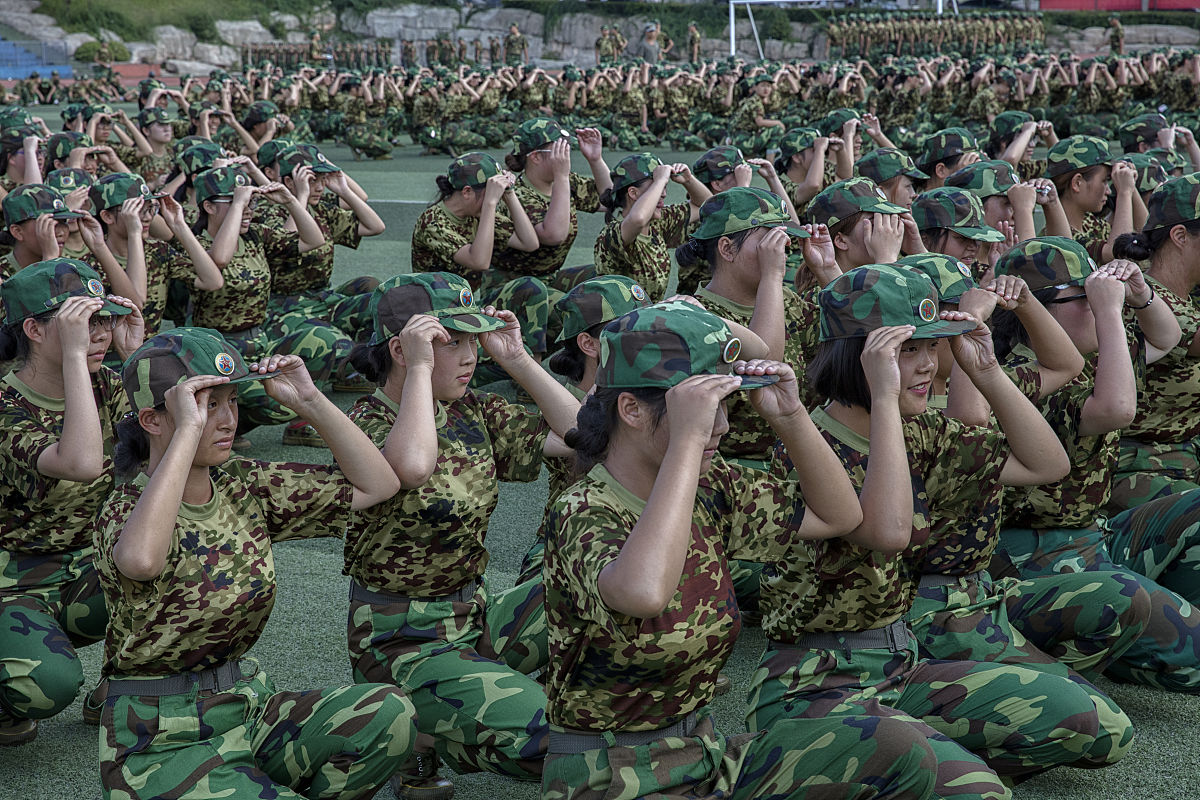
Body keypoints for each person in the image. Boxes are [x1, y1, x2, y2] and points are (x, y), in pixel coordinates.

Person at [749, 264, 1126, 798]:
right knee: (977, 791)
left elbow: (1046, 466)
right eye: (907, 350)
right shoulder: (805, 445)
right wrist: (883, 397)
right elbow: (890, 531)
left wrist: (988, 371)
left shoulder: (919, 430)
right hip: (813, 681)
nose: (929, 365)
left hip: (901, 662)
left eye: (932, 347)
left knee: (1098, 724)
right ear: (857, 357)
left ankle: (920, 761)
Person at [542, 299, 939, 800]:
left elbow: (839, 516)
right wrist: (689, 438)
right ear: (632, 409)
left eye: (726, 406)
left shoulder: (713, 487)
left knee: (896, 747)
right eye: (706, 409)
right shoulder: (583, 508)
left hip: (704, 755)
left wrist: (792, 417)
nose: (724, 426)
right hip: (611, 774)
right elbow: (642, 593)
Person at [96, 326, 412, 797]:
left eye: (230, 402)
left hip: (244, 706)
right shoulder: (127, 507)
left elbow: (377, 485)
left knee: (389, 714)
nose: (227, 421)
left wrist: (310, 402)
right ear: (152, 419)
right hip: (159, 736)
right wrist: (186, 430)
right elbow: (141, 560)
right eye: (207, 405)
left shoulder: (241, 483)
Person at [344, 272, 582, 795]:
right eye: (453, 342)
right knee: (561, 739)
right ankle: (412, 733)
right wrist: (423, 371)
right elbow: (410, 465)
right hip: (402, 641)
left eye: (473, 339)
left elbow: (582, 433)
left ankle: (452, 706)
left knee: (595, 595)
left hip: (472, 617)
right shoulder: (363, 424)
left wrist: (518, 360)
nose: (472, 355)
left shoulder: (471, 409)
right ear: (404, 349)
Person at [0, 258, 142, 744]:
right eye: (82, 321)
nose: (99, 333)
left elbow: (166, 459)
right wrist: (81, 361)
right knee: (47, 686)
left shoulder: (107, 382)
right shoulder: (5, 405)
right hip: (12, 579)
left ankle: (128, 676)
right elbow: (79, 463)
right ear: (34, 330)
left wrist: (136, 362)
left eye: (104, 319)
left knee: (182, 561)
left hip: (86, 563)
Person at [594, 153, 710, 300]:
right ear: (633, 193)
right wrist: (660, 179)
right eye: (656, 187)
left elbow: (706, 205)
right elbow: (637, 219)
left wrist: (688, 180)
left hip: (647, 317)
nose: (663, 194)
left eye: (665, 187)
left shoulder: (657, 223)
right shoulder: (612, 233)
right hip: (619, 320)